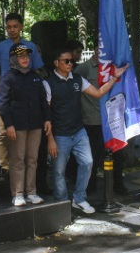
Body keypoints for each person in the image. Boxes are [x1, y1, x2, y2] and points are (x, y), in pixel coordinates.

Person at [45, 46, 128, 214]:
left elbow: (97, 93)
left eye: (72, 61)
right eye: (66, 61)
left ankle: (79, 198)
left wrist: (114, 78)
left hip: (78, 131)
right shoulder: (48, 83)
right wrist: (50, 138)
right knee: (59, 170)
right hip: (60, 133)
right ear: (56, 63)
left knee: (88, 162)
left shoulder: (77, 79)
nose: (70, 64)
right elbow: (46, 113)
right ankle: (61, 203)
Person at [0, 13, 45, 177]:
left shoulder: (31, 46)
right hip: (5, 96)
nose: (12, 30)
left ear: (21, 27)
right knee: (3, 133)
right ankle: (5, 168)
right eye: (9, 27)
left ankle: (23, 166)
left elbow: (36, 71)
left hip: (27, 96)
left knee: (25, 132)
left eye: (15, 26)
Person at [0, 44, 51, 207]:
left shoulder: (35, 77)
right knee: (18, 159)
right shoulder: (8, 78)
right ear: (13, 59)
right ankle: (18, 194)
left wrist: (47, 119)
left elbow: (43, 100)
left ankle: (31, 192)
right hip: (17, 126)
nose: (25, 59)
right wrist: (9, 125)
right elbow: (3, 104)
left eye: (27, 56)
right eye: (21, 56)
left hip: (35, 125)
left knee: (32, 159)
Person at [75, 48, 127, 196]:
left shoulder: (113, 66)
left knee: (117, 153)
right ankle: (90, 186)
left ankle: (118, 184)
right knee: (94, 155)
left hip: (112, 119)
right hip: (93, 119)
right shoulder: (84, 67)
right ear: (96, 49)